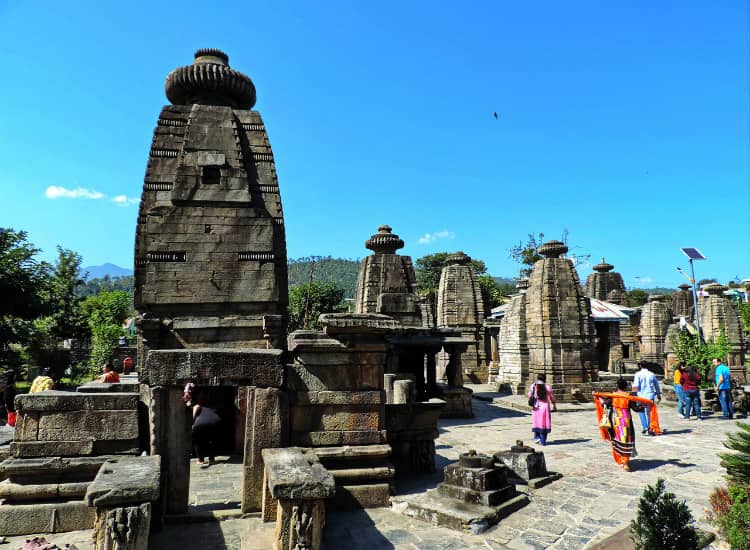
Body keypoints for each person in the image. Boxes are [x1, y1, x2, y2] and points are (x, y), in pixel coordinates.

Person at [594, 378, 662, 471]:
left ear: (617, 386)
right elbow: (636, 409)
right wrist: (646, 405)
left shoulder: (613, 396)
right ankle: (625, 462)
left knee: (616, 439)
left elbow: (605, 404)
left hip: (614, 421)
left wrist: (599, 396)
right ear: (626, 387)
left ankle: (621, 460)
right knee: (626, 441)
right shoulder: (628, 397)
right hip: (625, 422)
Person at [191, 389, 222, 468]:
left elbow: (195, 409)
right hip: (215, 422)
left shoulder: (197, 405)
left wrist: (192, 423)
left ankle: (200, 460)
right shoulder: (212, 406)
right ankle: (212, 459)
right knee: (213, 440)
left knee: (197, 441)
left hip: (200, 424)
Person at [631, 362, 661, 435]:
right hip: (650, 395)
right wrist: (658, 394)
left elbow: (636, 385)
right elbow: (656, 385)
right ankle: (650, 427)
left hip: (641, 396)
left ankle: (645, 427)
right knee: (650, 412)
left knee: (641, 411)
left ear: (640, 366)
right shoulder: (651, 374)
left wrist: (634, 394)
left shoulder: (638, 374)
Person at [527, 373, 557, 445]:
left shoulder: (533, 386)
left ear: (537, 379)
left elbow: (529, 395)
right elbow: (552, 397)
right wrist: (554, 405)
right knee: (544, 423)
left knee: (537, 422)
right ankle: (543, 441)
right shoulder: (547, 387)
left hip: (536, 407)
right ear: (545, 379)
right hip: (545, 408)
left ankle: (536, 438)